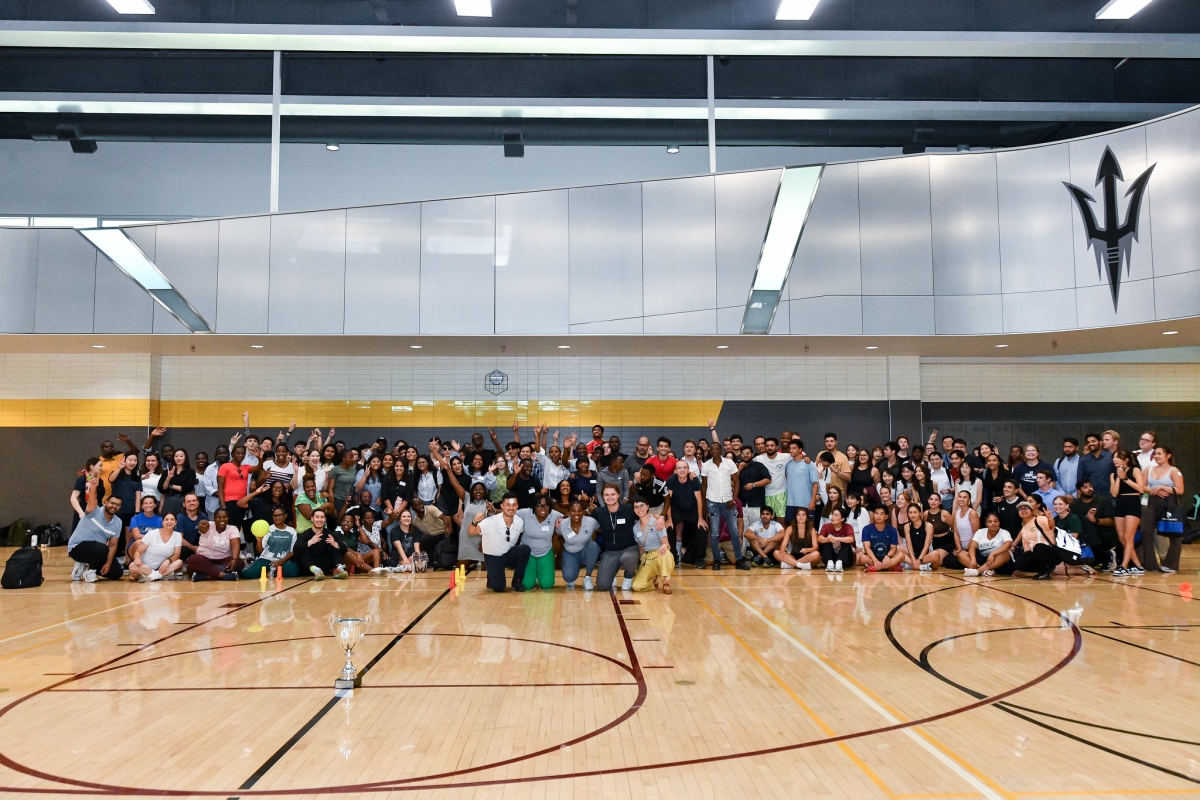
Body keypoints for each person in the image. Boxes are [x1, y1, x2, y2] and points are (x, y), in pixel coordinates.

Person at [471, 493, 530, 593]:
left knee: (525, 549)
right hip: (493, 557)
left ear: (517, 506)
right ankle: (491, 575)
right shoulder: (490, 521)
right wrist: (474, 521)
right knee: (499, 588)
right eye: (508, 505)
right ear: (502, 506)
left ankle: (517, 582)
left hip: (507, 555)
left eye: (514, 505)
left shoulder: (520, 522)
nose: (511, 508)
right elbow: (472, 531)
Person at [701, 447, 748, 571]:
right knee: (715, 533)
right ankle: (717, 560)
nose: (715, 451)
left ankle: (739, 559)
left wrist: (734, 499)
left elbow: (736, 481)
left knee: (734, 531)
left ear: (721, 450)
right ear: (710, 451)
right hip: (712, 502)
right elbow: (704, 485)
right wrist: (705, 504)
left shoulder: (729, 463)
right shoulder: (706, 465)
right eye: (713, 449)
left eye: (717, 449)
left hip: (728, 502)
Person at [1140, 445, 1185, 574]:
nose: (1157, 456)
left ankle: (1171, 565)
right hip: (1152, 501)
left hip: (1170, 503)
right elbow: (1143, 487)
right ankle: (1150, 564)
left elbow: (1180, 489)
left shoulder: (1174, 470)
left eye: (1160, 454)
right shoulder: (1148, 469)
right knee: (1146, 530)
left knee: (1174, 534)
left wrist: (1162, 487)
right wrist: (1153, 491)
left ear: (1168, 456)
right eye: (1155, 454)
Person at [68, 481, 124, 582]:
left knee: (117, 573)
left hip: (98, 552)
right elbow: (92, 499)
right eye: (112, 503)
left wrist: (108, 563)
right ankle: (89, 570)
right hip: (77, 548)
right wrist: (93, 487)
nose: (114, 506)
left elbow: (113, 545)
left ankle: (82, 566)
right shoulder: (94, 510)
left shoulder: (118, 522)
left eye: (118, 505)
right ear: (105, 502)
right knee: (101, 548)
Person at [592, 484, 642, 591]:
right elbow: (583, 522)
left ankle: (628, 576)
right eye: (607, 495)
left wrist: (660, 518)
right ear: (603, 496)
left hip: (629, 548)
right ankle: (611, 572)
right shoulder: (599, 512)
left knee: (627, 558)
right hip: (610, 551)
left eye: (613, 494)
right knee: (602, 586)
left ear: (618, 495)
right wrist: (560, 520)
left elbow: (645, 516)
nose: (610, 497)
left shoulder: (629, 509)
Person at [1110, 450, 1145, 577]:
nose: (1115, 459)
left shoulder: (1135, 470)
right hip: (1120, 503)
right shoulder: (1113, 474)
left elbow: (1141, 488)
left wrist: (1125, 477)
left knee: (1129, 537)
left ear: (1126, 459)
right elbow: (1114, 493)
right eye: (1113, 457)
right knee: (1121, 537)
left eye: (1118, 457)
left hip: (1132, 502)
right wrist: (1119, 478)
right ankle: (1138, 565)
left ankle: (1124, 565)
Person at [516, 496, 561, 591]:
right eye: (539, 505)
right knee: (527, 585)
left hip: (546, 552)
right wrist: (494, 510)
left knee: (547, 585)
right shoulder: (525, 513)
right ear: (534, 507)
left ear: (550, 507)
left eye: (546, 505)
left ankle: (539, 572)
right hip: (527, 553)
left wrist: (562, 519)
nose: (543, 508)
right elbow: (509, 513)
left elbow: (570, 515)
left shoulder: (554, 515)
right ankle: (531, 574)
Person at [241, 506, 300, 579]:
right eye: (275, 515)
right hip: (266, 560)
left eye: (279, 515)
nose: (277, 517)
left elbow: (293, 551)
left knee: (294, 570)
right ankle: (270, 571)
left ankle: (270, 572)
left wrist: (281, 561)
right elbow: (260, 551)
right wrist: (259, 541)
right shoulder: (267, 529)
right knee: (247, 574)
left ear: (285, 516)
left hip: (283, 562)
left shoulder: (292, 531)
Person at [665, 459, 704, 567]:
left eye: (684, 467)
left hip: (692, 510)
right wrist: (669, 519)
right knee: (669, 528)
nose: (682, 470)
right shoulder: (671, 480)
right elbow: (668, 500)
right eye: (679, 468)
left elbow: (699, 500)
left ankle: (698, 558)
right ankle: (673, 557)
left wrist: (700, 518)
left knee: (702, 529)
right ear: (675, 471)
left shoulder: (694, 480)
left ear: (688, 470)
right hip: (677, 509)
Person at [631, 496, 673, 593]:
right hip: (648, 558)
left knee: (666, 553)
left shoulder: (657, 522)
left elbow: (667, 544)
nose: (639, 509)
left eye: (642, 506)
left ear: (647, 507)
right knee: (636, 586)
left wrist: (664, 546)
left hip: (660, 554)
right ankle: (653, 580)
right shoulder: (635, 528)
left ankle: (666, 582)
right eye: (636, 507)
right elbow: (641, 548)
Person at [1071, 480, 1116, 571]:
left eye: (1090, 486)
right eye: (1085, 487)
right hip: (1085, 537)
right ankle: (1102, 557)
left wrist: (1096, 520)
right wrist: (1086, 518)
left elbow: (1112, 521)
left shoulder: (1103, 501)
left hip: (1104, 536)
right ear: (1079, 491)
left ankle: (1108, 555)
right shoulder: (1075, 504)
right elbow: (1074, 520)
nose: (1089, 489)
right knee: (1087, 565)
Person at [293, 509, 349, 580]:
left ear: (325, 519)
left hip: (325, 565)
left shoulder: (330, 533)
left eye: (322, 517)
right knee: (302, 547)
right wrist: (310, 542)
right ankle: (315, 570)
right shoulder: (305, 534)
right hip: (309, 566)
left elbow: (344, 548)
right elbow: (295, 549)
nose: (319, 520)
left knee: (336, 545)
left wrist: (335, 544)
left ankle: (339, 569)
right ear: (312, 519)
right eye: (317, 517)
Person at [128, 512, 184, 582]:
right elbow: (138, 551)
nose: (169, 521)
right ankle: (158, 576)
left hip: (161, 569)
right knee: (132, 566)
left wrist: (168, 560)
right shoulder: (152, 533)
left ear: (175, 522)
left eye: (172, 519)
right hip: (145, 567)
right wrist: (137, 559)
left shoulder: (177, 535)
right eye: (166, 519)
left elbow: (177, 554)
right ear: (163, 522)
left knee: (179, 562)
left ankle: (152, 576)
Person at [559, 499, 602, 590]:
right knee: (569, 577)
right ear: (569, 512)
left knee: (594, 546)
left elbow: (601, 529)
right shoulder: (562, 524)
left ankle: (587, 577)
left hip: (586, 551)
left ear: (583, 511)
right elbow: (553, 534)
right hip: (570, 553)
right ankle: (572, 566)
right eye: (573, 511)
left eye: (579, 511)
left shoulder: (591, 521)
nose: (576, 514)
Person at [1011, 501, 1058, 580]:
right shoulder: (1024, 528)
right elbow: (1027, 549)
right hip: (1036, 554)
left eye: (1026, 508)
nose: (1023, 510)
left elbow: (1051, 525)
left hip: (1049, 552)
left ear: (1031, 511)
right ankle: (1045, 568)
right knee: (1019, 562)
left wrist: (1050, 518)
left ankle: (1044, 572)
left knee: (1039, 546)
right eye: (1021, 509)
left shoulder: (1039, 519)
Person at [962, 511, 1014, 577]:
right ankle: (986, 570)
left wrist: (993, 554)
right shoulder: (980, 532)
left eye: (995, 521)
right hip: (983, 559)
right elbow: (972, 547)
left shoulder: (1004, 532)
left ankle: (977, 571)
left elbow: (1008, 544)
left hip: (999, 562)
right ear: (986, 524)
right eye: (990, 522)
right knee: (962, 554)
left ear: (999, 523)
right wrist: (973, 559)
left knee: (1006, 554)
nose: (993, 523)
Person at [754, 437, 790, 520]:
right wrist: (742, 465)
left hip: (781, 493)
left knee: (781, 520)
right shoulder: (759, 459)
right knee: (769, 521)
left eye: (772, 445)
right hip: (766, 494)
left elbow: (798, 456)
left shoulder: (785, 457)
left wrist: (806, 458)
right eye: (767, 446)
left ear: (777, 447)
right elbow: (748, 463)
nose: (769, 448)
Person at [861, 505, 903, 572]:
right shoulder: (867, 529)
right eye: (876, 513)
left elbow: (893, 548)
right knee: (862, 558)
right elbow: (867, 548)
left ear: (886, 516)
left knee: (901, 555)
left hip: (887, 558)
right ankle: (889, 567)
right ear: (873, 515)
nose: (879, 516)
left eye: (882, 514)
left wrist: (888, 556)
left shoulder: (892, 530)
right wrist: (875, 560)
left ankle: (875, 568)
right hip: (873, 557)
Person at [1078, 431, 1117, 499]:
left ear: (1100, 442)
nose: (1091, 444)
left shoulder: (1111, 457)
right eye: (1088, 442)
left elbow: (1117, 476)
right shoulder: (1083, 460)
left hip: (1110, 496)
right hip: (1092, 497)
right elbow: (1080, 479)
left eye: (1093, 441)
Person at [817, 507, 856, 572]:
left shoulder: (848, 527)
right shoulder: (826, 526)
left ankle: (839, 563)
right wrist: (828, 539)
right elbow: (819, 538)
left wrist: (837, 539)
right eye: (832, 514)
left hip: (845, 560)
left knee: (845, 542)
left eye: (836, 515)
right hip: (830, 557)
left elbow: (851, 539)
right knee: (827, 541)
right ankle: (830, 563)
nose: (833, 517)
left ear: (842, 519)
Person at [900, 503, 933, 571]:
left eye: (915, 512)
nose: (913, 515)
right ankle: (915, 565)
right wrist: (913, 558)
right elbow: (909, 544)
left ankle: (917, 565)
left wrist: (919, 560)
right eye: (910, 513)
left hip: (924, 556)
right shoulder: (907, 526)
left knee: (936, 554)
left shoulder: (928, 525)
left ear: (920, 513)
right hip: (912, 557)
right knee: (897, 550)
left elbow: (927, 545)